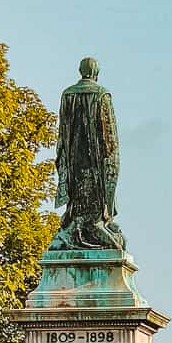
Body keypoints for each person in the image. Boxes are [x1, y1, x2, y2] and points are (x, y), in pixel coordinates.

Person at [50, 57, 125, 251]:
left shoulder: (67, 95)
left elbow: (62, 134)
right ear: (96, 74)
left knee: (78, 202)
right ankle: (93, 228)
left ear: (80, 71)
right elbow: (110, 139)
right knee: (96, 213)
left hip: (73, 163)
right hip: (96, 165)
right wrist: (111, 166)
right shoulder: (101, 95)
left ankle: (78, 228)